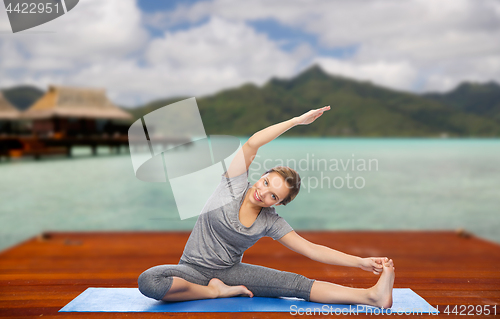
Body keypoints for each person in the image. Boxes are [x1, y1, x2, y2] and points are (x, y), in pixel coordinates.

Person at [138, 106, 395, 307]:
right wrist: (296, 121)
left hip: (231, 272)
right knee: (150, 281)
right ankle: (213, 292)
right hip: (190, 269)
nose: (262, 193)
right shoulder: (233, 185)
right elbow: (252, 143)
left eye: (273, 196)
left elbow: (311, 249)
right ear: (261, 175)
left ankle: (372, 296)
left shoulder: (270, 221)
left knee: (295, 284)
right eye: (265, 182)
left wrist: (360, 263)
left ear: (279, 203)